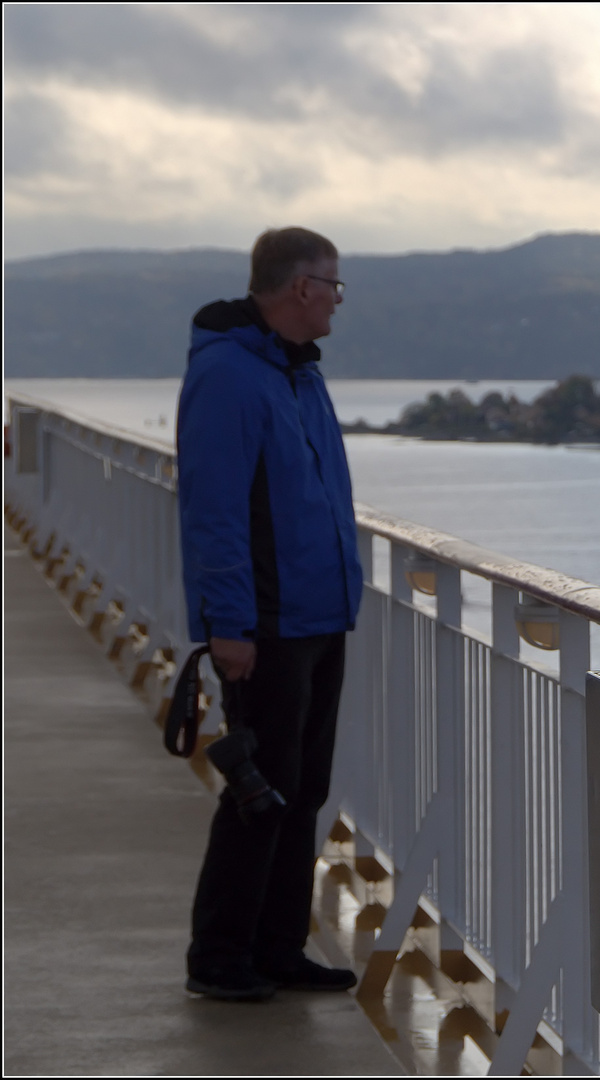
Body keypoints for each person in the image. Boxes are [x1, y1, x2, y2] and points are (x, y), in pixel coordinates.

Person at [177, 227, 363, 1001]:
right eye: (334, 287)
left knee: (303, 789)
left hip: (318, 616)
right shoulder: (228, 374)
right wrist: (229, 625)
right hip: (268, 622)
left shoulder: (297, 373)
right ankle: (219, 958)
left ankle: (278, 947)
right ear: (300, 289)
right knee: (260, 793)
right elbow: (215, 510)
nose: (337, 302)